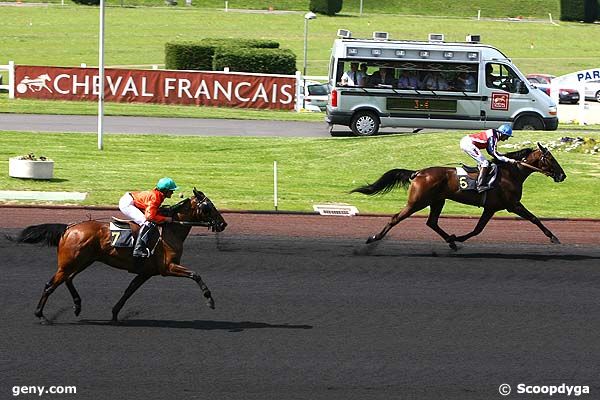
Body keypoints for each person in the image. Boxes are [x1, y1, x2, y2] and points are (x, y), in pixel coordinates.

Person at [119, 177, 178, 268]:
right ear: (165, 191)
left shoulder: (159, 195)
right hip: (127, 204)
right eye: (171, 190)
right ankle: (138, 249)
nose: (172, 192)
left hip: (132, 200)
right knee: (146, 222)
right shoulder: (156, 197)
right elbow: (150, 217)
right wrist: (165, 219)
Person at [459, 124, 518, 192]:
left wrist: (502, 156)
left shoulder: (494, 135)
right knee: (484, 163)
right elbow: (493, 153)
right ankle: (480, 185)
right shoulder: (493, 137)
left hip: (468, 142)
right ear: (502, 134)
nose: (507, 139)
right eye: (507, 136)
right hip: (468, 144)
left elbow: (492, 152)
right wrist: (508, 160)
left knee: (484, 162)